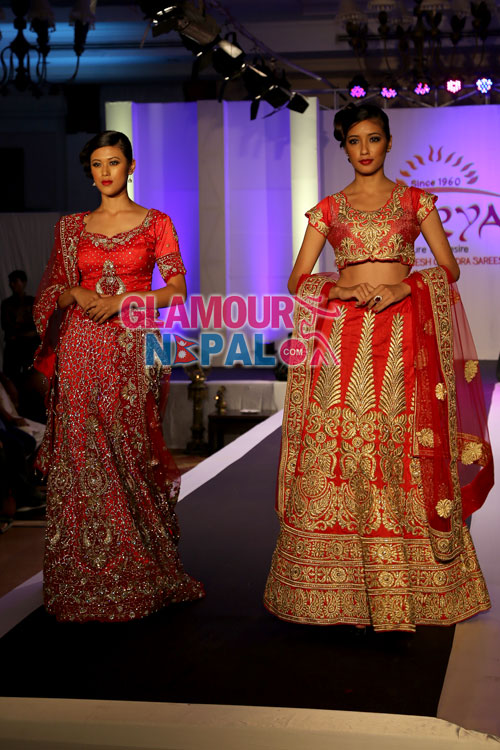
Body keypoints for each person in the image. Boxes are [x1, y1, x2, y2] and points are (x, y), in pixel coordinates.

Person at [264, 103, 493, 632]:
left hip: (403, 335)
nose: (364, 149)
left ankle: (409, 582)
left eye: (373, 139)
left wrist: (403, 288)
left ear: (389, 142)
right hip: (343, 338)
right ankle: (337, 586)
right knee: (343, 447)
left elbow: (448, 268)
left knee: (397, 445)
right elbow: (298, 280)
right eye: (354, 141)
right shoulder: (328, 209)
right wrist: (337, 288)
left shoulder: (415, 201)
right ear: (344, 147)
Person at [33, 130, 204, 622]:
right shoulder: (71, 227)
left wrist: (124, 301)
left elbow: (176, 291)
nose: (105, 172)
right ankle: (82, 575)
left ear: (131, 166)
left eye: (114, 162)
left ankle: (140, 568)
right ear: (90, 172)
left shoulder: (156, 223)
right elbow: (52, 293)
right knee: (84, 453)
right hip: (81, 348)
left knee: (128, 450)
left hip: (134, 347)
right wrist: (75, 294)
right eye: (97, 164)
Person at [1, 270, 40, 386]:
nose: (12, 285)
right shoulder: (7, 304)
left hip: (31, 346)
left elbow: (38, 325)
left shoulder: (32, 301)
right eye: (11, 282)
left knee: (34, 377)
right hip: (14, 348)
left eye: (15, 281)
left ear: (23, 282)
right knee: (13, 379)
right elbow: (7, 327)